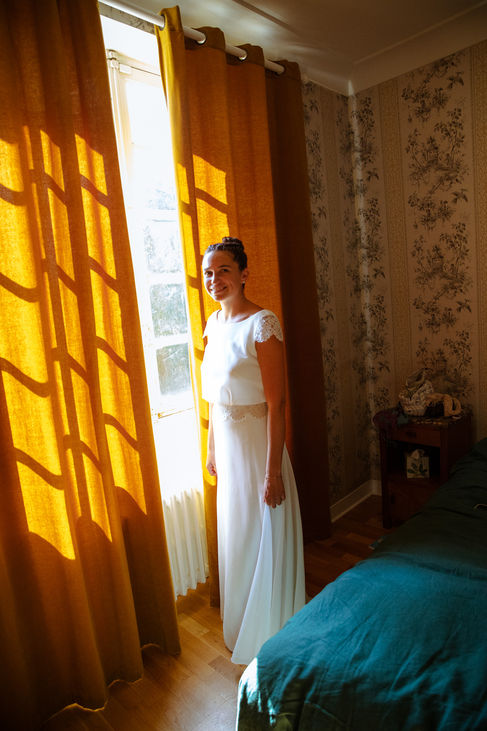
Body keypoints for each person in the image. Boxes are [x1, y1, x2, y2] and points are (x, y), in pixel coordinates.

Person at [200, 236, 306, 665]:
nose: (215, 280)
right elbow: (214, 396)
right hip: (227, 452)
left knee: (260, 532)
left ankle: (270, 625)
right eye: (208, 273)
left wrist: (273, 472)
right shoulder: (212, 323)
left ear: (244, 274)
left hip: (258, 450)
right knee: (237, 535)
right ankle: (241, 620)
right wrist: (211, 448)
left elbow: (277, 404)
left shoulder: (262, 324)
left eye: (223, 270)